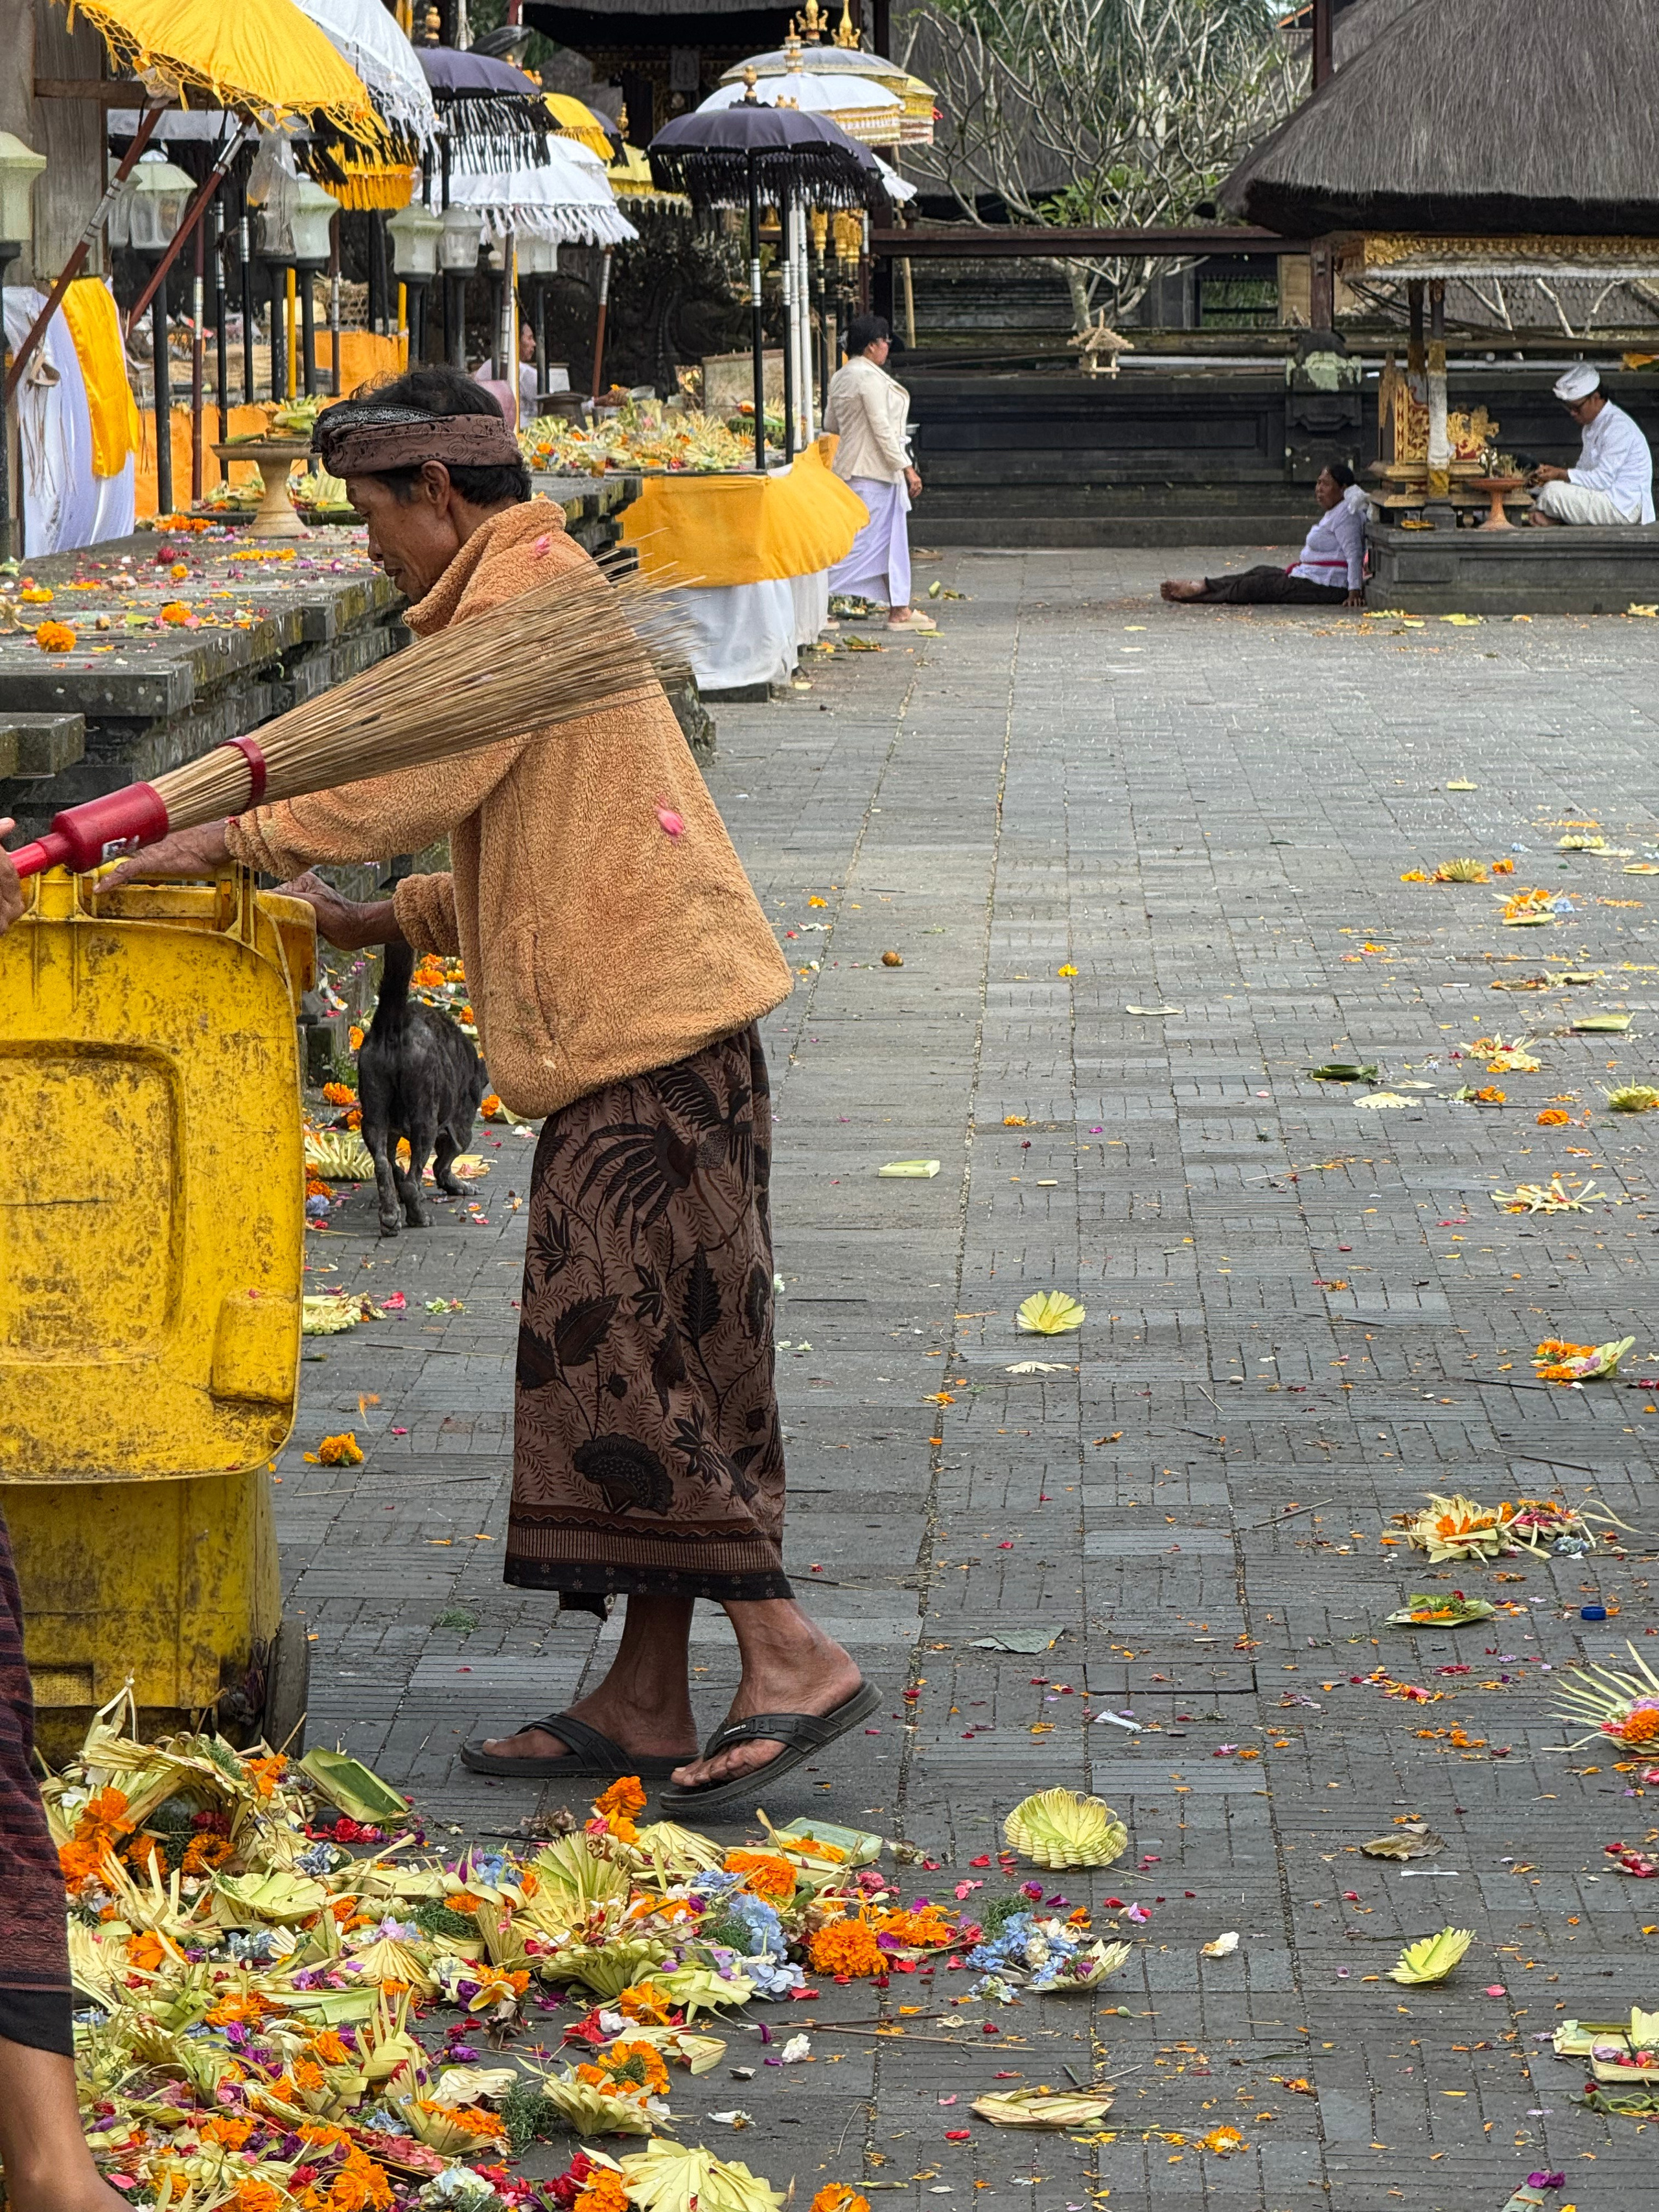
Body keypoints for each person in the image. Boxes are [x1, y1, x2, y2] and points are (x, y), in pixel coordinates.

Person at [0, 367, 879, 1818]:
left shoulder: (521, 604)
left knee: (620, 1361)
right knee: (663, 1346)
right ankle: (646, 1695)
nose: (368, 549)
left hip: (647, 1040)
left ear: (439, 493)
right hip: (662, 1023)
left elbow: (400, 777)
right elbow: (545, 840)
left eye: (374, 516)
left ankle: (788, 1655)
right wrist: (380, 920)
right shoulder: (520, 600)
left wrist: (217, 836)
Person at [823, 313, 934, 633]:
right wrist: (907, 468)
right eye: (885, 341)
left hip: (855, 465)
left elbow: (831, 424)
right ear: (872, 346)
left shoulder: (842, 375)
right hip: (872, 470)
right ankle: (817, 599)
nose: (888, 346)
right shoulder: (867, 378)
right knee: (863, 543)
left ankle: (899, 608)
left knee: (888, 542)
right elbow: (882, 429)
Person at [1163, 463, 1367, 606]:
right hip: (1308, 576)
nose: (1319, 490)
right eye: (1318, 483)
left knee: (1254, 586)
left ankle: (1196, 597)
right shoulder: (1336, 511)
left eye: (1326, 485)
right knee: (1260, 571)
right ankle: (1202, 586)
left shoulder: (1347, 515)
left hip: (1326, 585)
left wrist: (1354, 592)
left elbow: (1354, 554)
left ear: (1343, 488)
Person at [1529, 365, 1654, 526]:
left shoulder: (1618, 427)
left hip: (1623, 506)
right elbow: (1583, 473)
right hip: (1602, 499)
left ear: (1595, 398)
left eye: (1576, 408)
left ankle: (1557, 521)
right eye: (1569, 408)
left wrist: (1561, 474)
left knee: (1552, 493)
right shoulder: (1591, 427)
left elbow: (1602, 481)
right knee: (1544, 489)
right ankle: (1557, 520)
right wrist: (1549, 478)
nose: (1573, 413)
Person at [476, 320, 540, 426]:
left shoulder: (487, 366)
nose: (534, 344)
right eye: (529, 338)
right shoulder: (523, 372)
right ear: (516, 340)